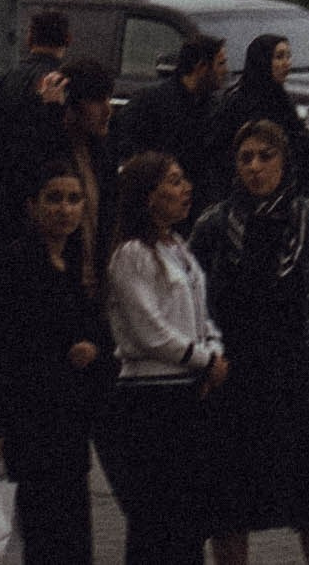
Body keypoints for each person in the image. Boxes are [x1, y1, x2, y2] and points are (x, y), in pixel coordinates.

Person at [191, 119, 309, 565]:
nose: (255, 167)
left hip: (297, 381)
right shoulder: (215, 225)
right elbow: (192, 302)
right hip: (234, 385)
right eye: (246, 158)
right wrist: (202, 364)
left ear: (284, 161)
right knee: (230, 511)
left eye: (266, 156)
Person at [0, 162, 105, 565]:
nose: (64, 209)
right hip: (29, 420)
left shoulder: (78, 263)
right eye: (54, 199)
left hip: (70, 419)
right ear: (33, 206)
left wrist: (92, 348)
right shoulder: (14, 265)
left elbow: (96, 328)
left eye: (74, 199)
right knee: (44, 535)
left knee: (74, 533)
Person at [105, 149, 227, 565]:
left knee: (189, 519)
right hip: (151, 398)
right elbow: (150, 331)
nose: (185, 188)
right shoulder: (132, 254)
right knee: (156, 516)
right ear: (148, 196)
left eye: (183, 179)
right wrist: (203, 359)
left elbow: (201, 315)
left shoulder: (178, 247)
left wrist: (215, 352)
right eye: (174, 181)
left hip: (188, 393)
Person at [0, 3, 73, 235]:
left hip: (6, 192)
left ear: (30, 39)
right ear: (68, 39)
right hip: (47, 190)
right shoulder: (65, 81)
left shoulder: (7, 80)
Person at [121, 35, 230, 204]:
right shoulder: (152, 103)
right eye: (220, 64)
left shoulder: (214, 107)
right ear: (201, 67)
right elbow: (127, 147)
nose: (226, 71)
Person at [214, 34, 309, 205]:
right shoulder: (240, 102)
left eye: (288, 56)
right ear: (262, 61)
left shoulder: (281, 99)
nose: (286, 63)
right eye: (279, 57)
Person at [60, 59, 119, 292]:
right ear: (71, 104)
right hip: (64, 283)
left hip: (95, 282)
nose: (107, 110)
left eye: (108, 99)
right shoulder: (53, 154)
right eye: (97, 101)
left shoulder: (102, 154)